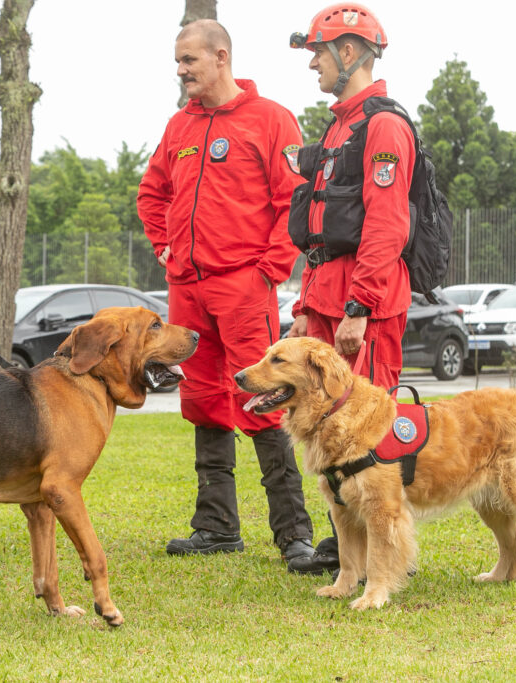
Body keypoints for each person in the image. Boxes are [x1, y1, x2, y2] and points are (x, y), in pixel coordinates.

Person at [137, 19, 315, 566]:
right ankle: (215, 527)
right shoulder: (178, 127)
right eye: (178, 62)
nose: (181, 70)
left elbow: (297, 202)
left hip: (243, 287)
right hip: (186, 291)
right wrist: (165, 246)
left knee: (261, 399)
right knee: (202, 399)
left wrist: (269, 269)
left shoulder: (270, 120)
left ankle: (294, 536)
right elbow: (152, 193)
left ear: (220, 57)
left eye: (189, 61)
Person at [283, 3, 415, 575]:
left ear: (350, 53)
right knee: (328, 426)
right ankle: (346, 550)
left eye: (319, 52)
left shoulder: (383, 125)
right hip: (326, 297)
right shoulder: (340, 124)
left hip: (364, 301)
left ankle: (387, 557)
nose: (313, 63)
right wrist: (306, 308)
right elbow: (322, 234)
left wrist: (359, 305)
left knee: (368, 428)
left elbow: (386, 227)